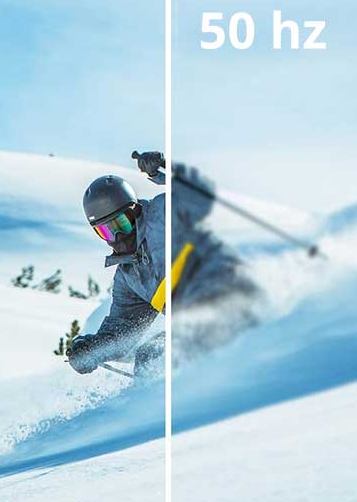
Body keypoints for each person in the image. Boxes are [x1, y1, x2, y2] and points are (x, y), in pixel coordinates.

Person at [68, 151, 259, 377]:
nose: (117, 235)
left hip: (232, 299)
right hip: (195, 324)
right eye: (106, 231)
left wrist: (167, 168)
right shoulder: (128, 278)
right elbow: (122, 331)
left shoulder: (160, 215)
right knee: (150, 356)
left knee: (157, 354)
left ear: (134, 210)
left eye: (121, 223)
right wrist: (92, 349)